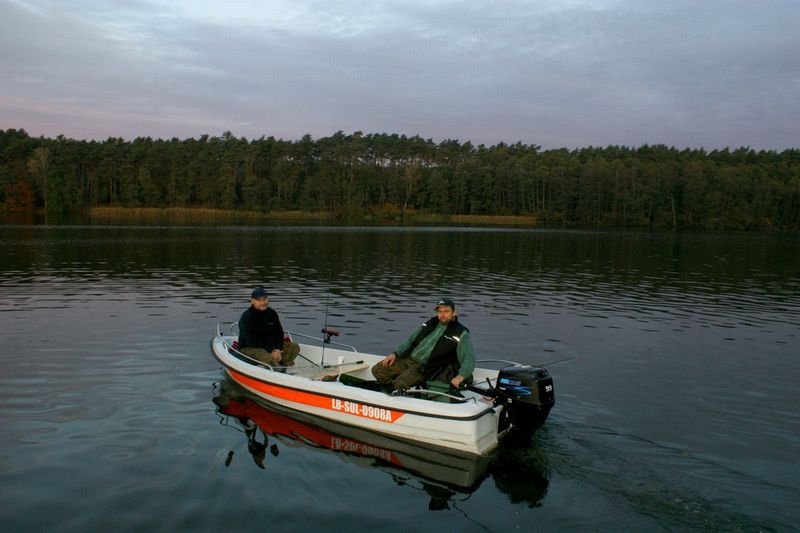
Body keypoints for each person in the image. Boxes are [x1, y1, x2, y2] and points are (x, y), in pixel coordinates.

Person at [371, 298, 475, 391]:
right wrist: (395, 353)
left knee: (400, 383)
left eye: (446, 311)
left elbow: (469, 358)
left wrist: (461, 376)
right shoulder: (430, 323)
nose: (442, 315)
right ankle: (392, 390)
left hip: (425, 368)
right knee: (377, 370)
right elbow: (410, 340)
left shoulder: (460, 333)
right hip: (409, 360)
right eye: (440, 311)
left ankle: (399, 390)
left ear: (454, 313)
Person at [238, 288, 299, 367]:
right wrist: (271, 351)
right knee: (268, 357)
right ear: (252, 301)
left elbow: (279, 333)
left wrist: (278, 349)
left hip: (270, 346)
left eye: (265, 299)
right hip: (249, 347)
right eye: (259, 300)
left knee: (294, 347)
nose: (263, 303)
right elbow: (251, 341)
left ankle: (282, 364)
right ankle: (277, 370)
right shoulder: (247, 317)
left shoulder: (272, 313)